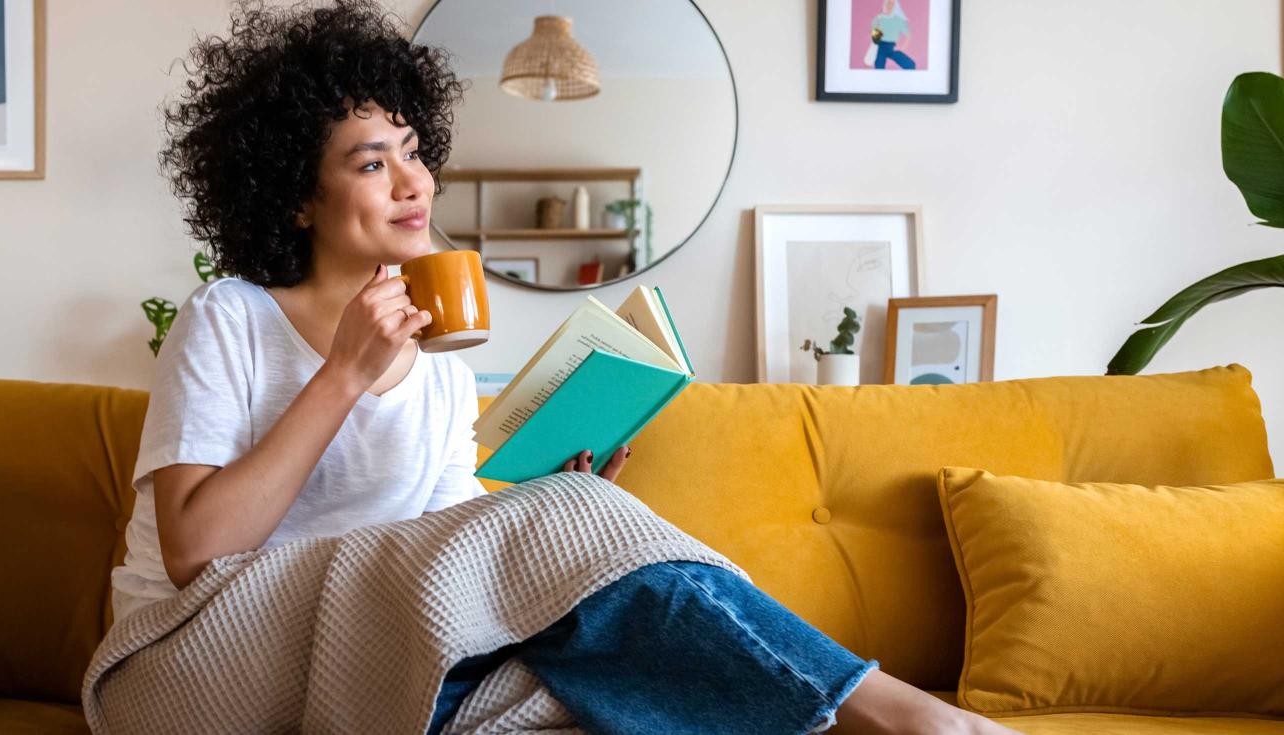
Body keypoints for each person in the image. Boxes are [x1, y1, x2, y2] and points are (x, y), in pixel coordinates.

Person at [108, 1, 1018, 732]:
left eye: (414, 152)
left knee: (582, 695)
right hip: (188, 665)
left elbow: (436, 566)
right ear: (297, 196)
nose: (414, 182)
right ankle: (903, 712)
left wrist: (553, 497)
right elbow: (195, 552)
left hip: (358, 659)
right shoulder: (229, 319)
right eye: (371, 162)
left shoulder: (436, 365)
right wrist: (342, 374)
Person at [871, 0, 918, 70]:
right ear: (884, 4)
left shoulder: (899, 20)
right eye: (888, 3)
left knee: (911, 65)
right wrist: (877, 27)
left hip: (891, 46)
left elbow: (908, 36)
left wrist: (901, 48)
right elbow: (875, 38)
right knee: (878, 68)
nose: (889, 6)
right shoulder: (878, 19)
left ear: (896, 6)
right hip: (880, 46)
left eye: (892, 4)